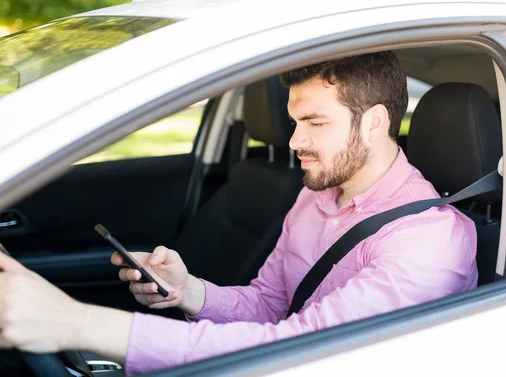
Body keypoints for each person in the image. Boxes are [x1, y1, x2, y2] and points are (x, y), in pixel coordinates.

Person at [0, 52, 477, 374]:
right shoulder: (318, 194)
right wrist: (188, 293)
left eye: (315, 123)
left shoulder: (426, 243)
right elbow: (271, 303)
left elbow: (293, 349)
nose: (294, 143)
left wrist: (78, 323)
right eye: (294, 122)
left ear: (374, 122)